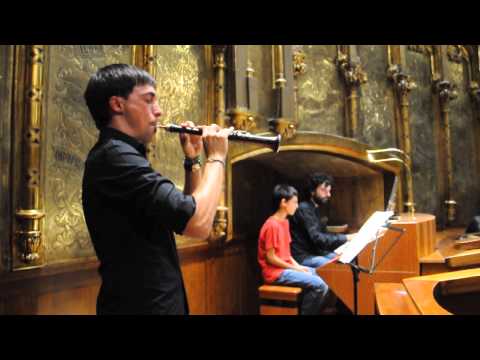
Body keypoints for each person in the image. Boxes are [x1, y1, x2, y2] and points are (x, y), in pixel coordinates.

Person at [82, 64, 231, 314]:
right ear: (118, 105)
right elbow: (198, 222)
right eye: (149, 100)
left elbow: (184, 219)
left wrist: (193, 160)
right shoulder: (115, 158)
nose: (159, 111)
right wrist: (216, 157)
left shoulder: (121, 155)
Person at [257, 184, 330, 315]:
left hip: (286, 269)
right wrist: (296, 268)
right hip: (275, 273)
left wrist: (299, 267)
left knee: (326, 276)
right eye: (295, 202)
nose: (297, 206)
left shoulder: (285, 222)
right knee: (320, 285)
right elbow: (271, 258)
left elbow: (286, 253)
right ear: (283, 202)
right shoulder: (272, 225)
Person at [290, 173, 357, 269]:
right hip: (303, 256)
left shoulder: (315, 208)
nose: (328, 195)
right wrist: (346, 238)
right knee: (337, 268)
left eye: (329, 191)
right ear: (312, 191)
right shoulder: (303, 209)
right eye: (324, 191)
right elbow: (317, 238)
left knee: (347, 260)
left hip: (316, 252)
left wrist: (340, 248)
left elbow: (323, 234)